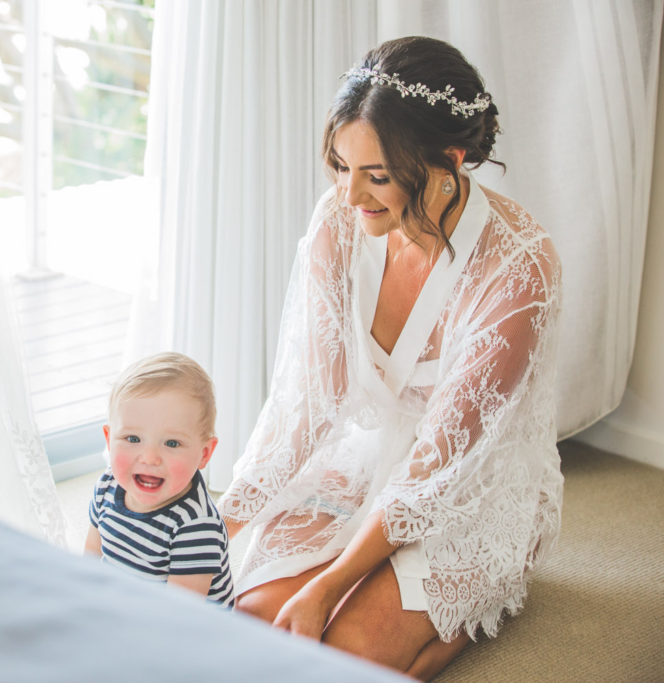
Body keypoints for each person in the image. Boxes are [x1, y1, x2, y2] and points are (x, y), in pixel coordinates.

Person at [215, 36, 563, 679]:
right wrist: (214, 524)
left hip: (471, 485)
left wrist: (328, 587)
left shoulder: (518, 269)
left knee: (347, 655)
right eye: (340, 167)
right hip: (368, 454)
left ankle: (481, 600)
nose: (349, 197)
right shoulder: (340, 222)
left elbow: (440, 468)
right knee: (256, 617)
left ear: (450, 160)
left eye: (375, 175)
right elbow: (305, 407)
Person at [85, 352, 235, 607]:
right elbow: (90, 560)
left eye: (172, 443)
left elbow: (178, 615)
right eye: (132, 439)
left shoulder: (195, 526)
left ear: (204, 453)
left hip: (186, 629)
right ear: (109, 440)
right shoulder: (106, 488)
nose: (150, 457)